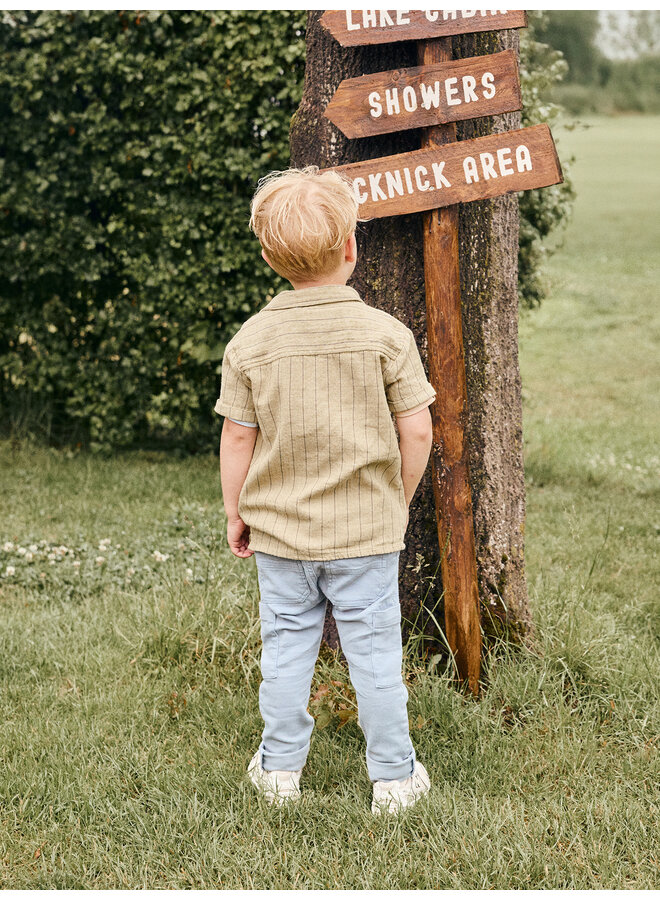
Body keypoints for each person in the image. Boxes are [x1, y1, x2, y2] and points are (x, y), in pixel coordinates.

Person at [215, 166, 435, 814]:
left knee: (286, 650)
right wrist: (398, 496)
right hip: (367, 533)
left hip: (281, 536)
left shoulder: (251, 341)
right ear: (349, 248)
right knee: (374, 656)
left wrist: (237, 512)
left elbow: (237, 439)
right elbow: (417, 431)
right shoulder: (386, 336)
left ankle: (280, 770)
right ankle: (394, 778)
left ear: (267, 256)